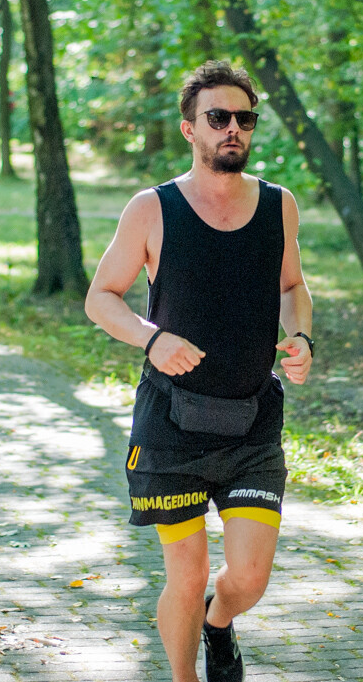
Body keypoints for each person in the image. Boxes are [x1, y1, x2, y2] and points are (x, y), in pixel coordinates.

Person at [85, 60, 314, 682]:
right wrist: (150, 338)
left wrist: (299, 335)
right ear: (190, 129)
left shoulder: (278, 205)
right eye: (218, 118)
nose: (232, 129)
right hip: (172, 424)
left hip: (252, 421)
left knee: (249, 577)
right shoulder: (152, 208)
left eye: (244, 118)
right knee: (184, 577)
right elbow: (101, 296)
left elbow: (292, 286)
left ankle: (220, 622)